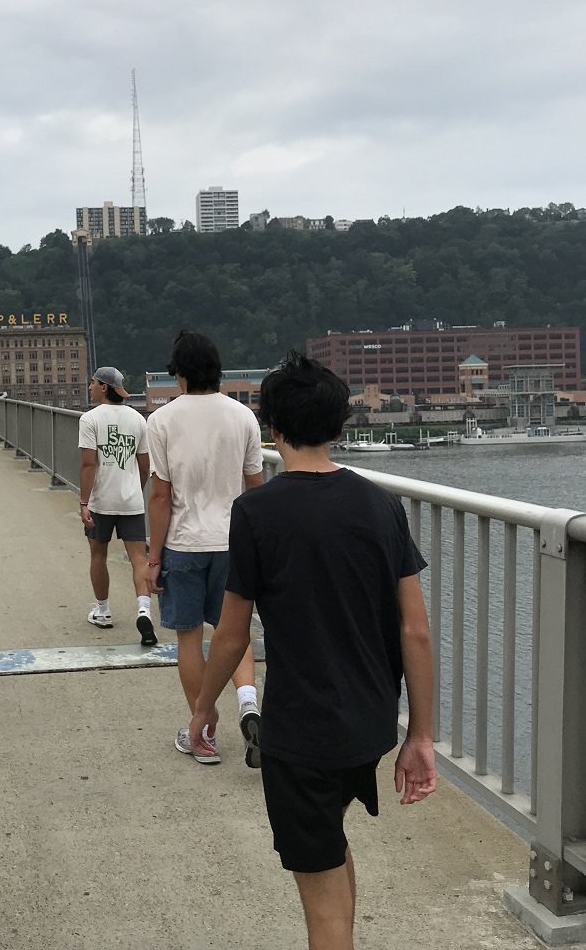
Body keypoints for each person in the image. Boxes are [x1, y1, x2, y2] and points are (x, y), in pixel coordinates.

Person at [189, 352, 436, 950]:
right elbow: (415, 631)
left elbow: (230, 634)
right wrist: (420, 735)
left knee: (320, 898)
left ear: (273, 429)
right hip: (369, 722)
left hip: (301, 734)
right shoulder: (381, 504)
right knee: (331, 849)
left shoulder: (256, 513)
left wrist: (202, 707)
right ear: (339, 426)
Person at [146, 330, 264, 767]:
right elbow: (256, 488)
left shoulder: (161, 421)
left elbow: (160, 497)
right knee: (234, 632)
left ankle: (203, 730)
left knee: (189, 638)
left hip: (184, 544)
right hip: (233, 543)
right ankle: (249, 702)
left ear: (178, 374)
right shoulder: (243, 417)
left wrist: (153, 558)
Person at [78, 366, 157, 647]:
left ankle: (103, 611)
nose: (89, 386)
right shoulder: (138, 420)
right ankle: (144, 609)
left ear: (103, 387)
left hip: (101, 500)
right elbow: (144, 464)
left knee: (98, 555)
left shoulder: (90, 419)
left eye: (92, 383)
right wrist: (135, 487)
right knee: (138, 559)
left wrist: (84, 501)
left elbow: (88, 464)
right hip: (131, 500)